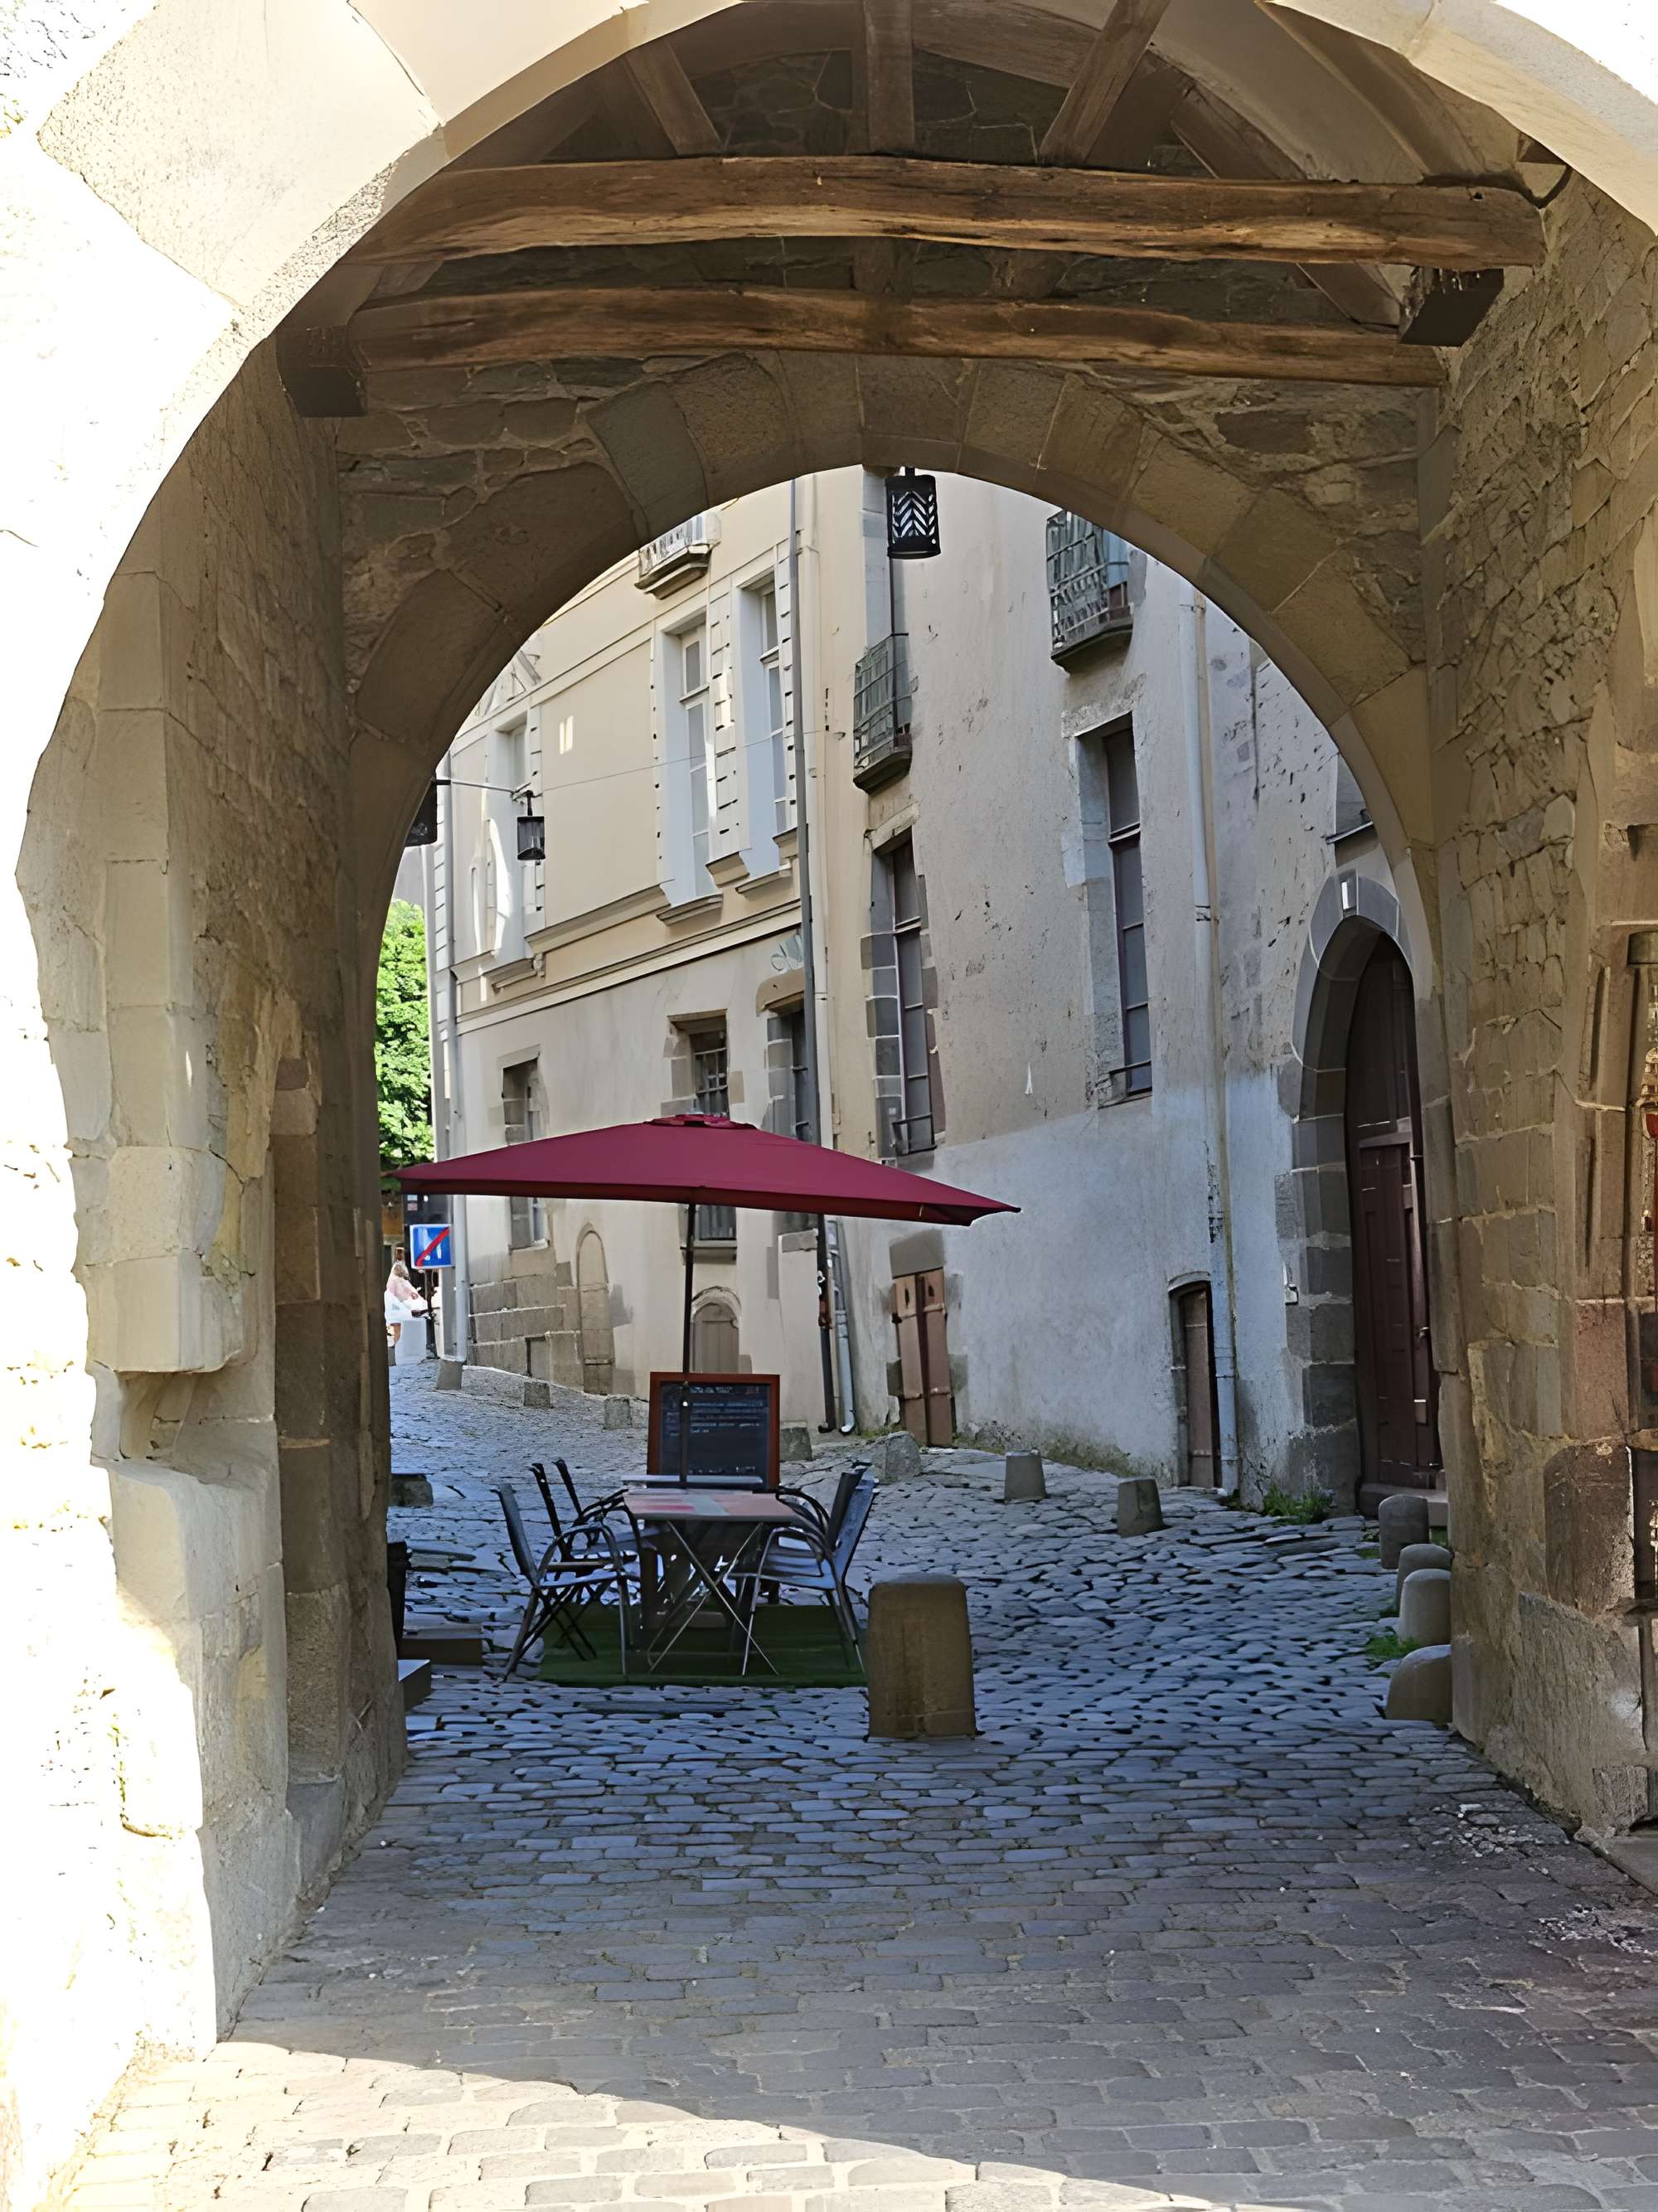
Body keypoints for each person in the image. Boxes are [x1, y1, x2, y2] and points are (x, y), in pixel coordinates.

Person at [385, 1258, 426, 1354]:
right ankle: (400, 1347)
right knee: (400, 1329)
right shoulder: (398, 1281)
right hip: (398, 1309)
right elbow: (402, 1294)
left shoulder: (394, 1280)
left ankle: (399, 1346)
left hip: (396, 1310)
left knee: (398, 1329)